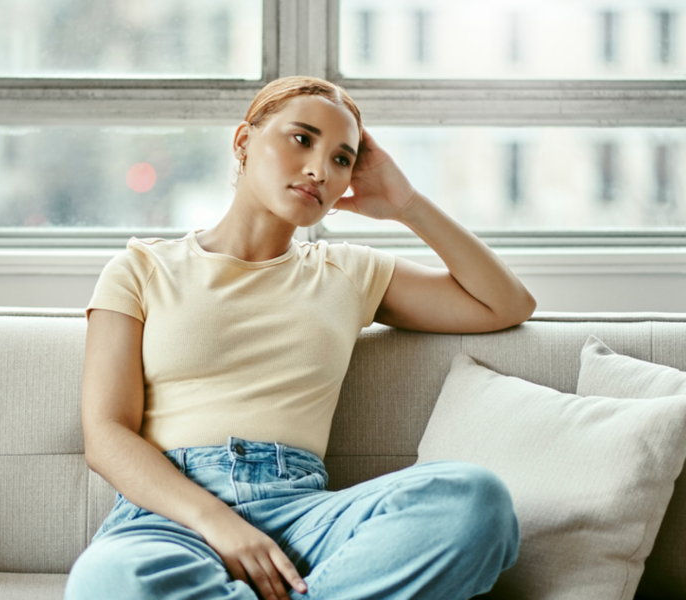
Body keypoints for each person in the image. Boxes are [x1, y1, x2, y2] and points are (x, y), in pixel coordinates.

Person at [64, 76, 536, 600]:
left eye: (342, 159)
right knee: (109, 581)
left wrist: (406, 205)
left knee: (474, 501)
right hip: (169, 520)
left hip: (305, 518)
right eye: (302, 139)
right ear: (244, 141)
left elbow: (506, 303)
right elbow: (106, 434)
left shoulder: (346, 271)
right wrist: (217, 521)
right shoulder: (141, 268)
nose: (319, 170)